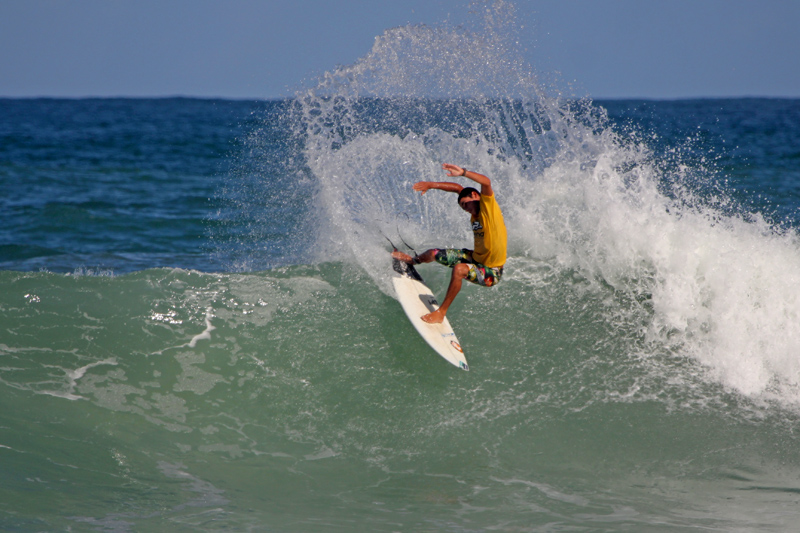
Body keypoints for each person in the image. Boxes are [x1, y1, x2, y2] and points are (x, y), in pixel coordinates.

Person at [392, 163, 507, 324]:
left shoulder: (487, 208)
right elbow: (458, 189)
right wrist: (431, 185)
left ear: (475, 195)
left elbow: (486, 182)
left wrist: (464, 172)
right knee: (433, 253)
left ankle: (441, 313)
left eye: (466, 204)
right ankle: (413, 261)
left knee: (459, 270)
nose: (465, 208)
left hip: (492, 271)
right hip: (475, 258)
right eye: (462, 206)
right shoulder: (472, 208)